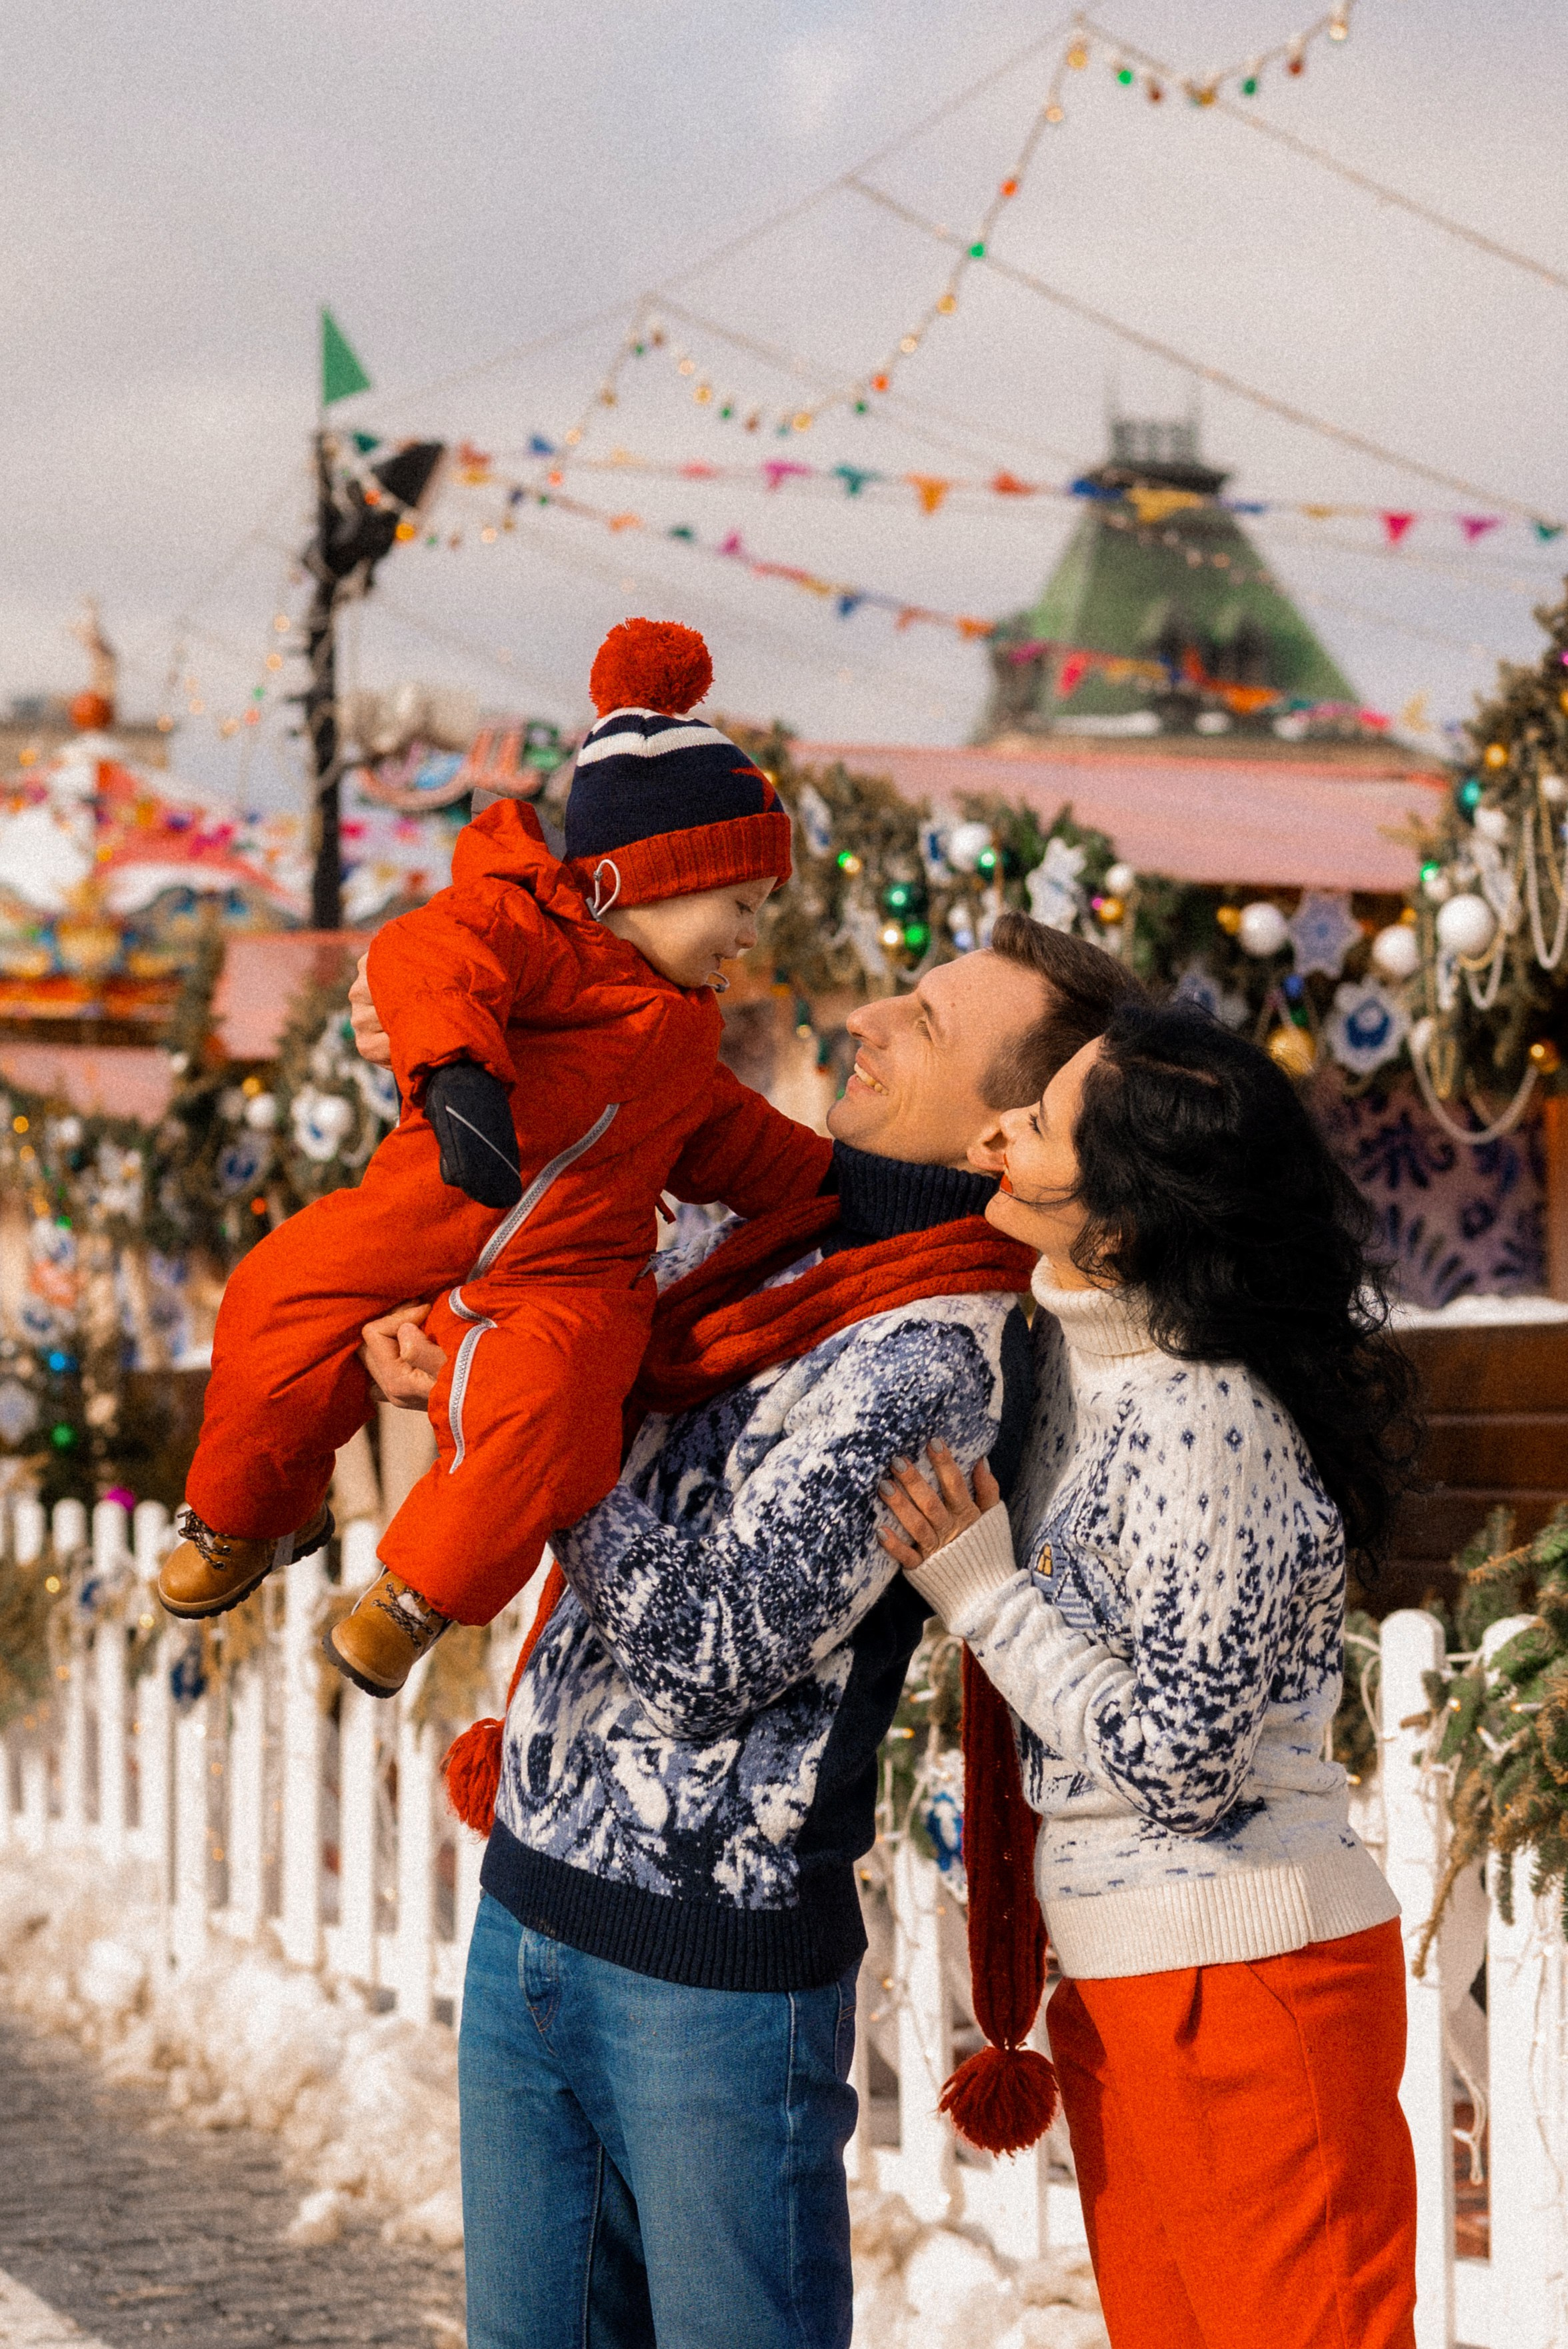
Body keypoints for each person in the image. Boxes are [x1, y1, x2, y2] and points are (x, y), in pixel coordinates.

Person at [366, 913, 1141, 2349]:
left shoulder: (939, 1353)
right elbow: (561, 1268)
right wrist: (458, 1323)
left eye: (922, 1018)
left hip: (705, 1983)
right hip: (532, 1897)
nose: (870, 1018)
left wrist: (529, 1418)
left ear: (999, 1130)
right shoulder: (758, 1228)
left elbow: (708, 1649)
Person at [877, 1000, 1423, 2349]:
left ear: (1117, 1226)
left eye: (1042, 1119)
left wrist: (988, 1597)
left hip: (1252, 1978)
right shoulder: (1061, 1363)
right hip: (1125, 1986)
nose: (998, 1126)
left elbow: (1184, 1763)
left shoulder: (1209, 1417)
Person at [157, 621, 834, 1696]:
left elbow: (749, 1147)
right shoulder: (532, 932)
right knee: (278, 1294)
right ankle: (248, 1511)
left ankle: (421, 1590)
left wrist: (853, 1183)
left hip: (565, 1280)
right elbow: (426, 955)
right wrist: (461, 1076)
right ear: (643, 880)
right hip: (426, 1206)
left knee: (552, 1400)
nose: (750, 937)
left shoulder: (688, 1047)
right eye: (741, 905)